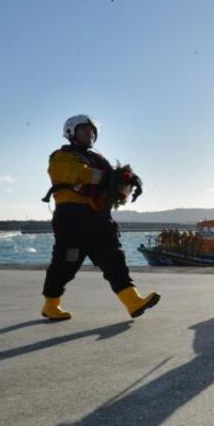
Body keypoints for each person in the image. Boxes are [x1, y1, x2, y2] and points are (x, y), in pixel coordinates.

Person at [40, 114, 160, 321]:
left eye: (92, 131)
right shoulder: (61, 157)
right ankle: (51, 304)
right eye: (84, 129)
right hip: (72, 218)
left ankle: (133, 301)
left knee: (114, 259)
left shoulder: (99, 160)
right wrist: (107, 177)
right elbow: (76, 173)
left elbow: (114, 185)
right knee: (65, 264)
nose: (89, 133)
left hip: (100, 217)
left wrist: (128, 181)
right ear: (71, 132)